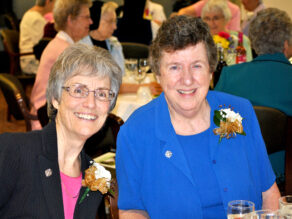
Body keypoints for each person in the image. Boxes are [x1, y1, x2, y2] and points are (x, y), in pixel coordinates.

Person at [116, 15, 280, 218]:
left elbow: (268, 191)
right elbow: (131, 209)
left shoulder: (239, 112)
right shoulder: (135, 132)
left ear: (211, 70)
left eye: (197, 65)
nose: (187, 79)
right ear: (158, 74)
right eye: (175, 67)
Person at [0, 43, 122, 218]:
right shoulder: (14, 151)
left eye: (102, 94)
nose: (90, 103)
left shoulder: (96, 176)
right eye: (79, 90)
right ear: (55, 98)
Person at [30, 0, 93, 130]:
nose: (91, 22)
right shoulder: (67, 51)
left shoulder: (58, 43)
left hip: (46, 115)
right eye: (86, 17)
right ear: (71, 20)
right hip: (50, 122)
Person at [80, 1, 125, 74]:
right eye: (110, 21)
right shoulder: (80, 47)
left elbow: (121, 75)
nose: (115, 27)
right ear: (95, 21)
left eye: (115, 21)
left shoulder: (114, 43)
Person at [19, 0, 55, 74]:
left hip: (33, 58)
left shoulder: (32, 14)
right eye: (55, 3)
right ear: (48, 2)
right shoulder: (36, 19)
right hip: (32, 62)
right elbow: (45, 45)